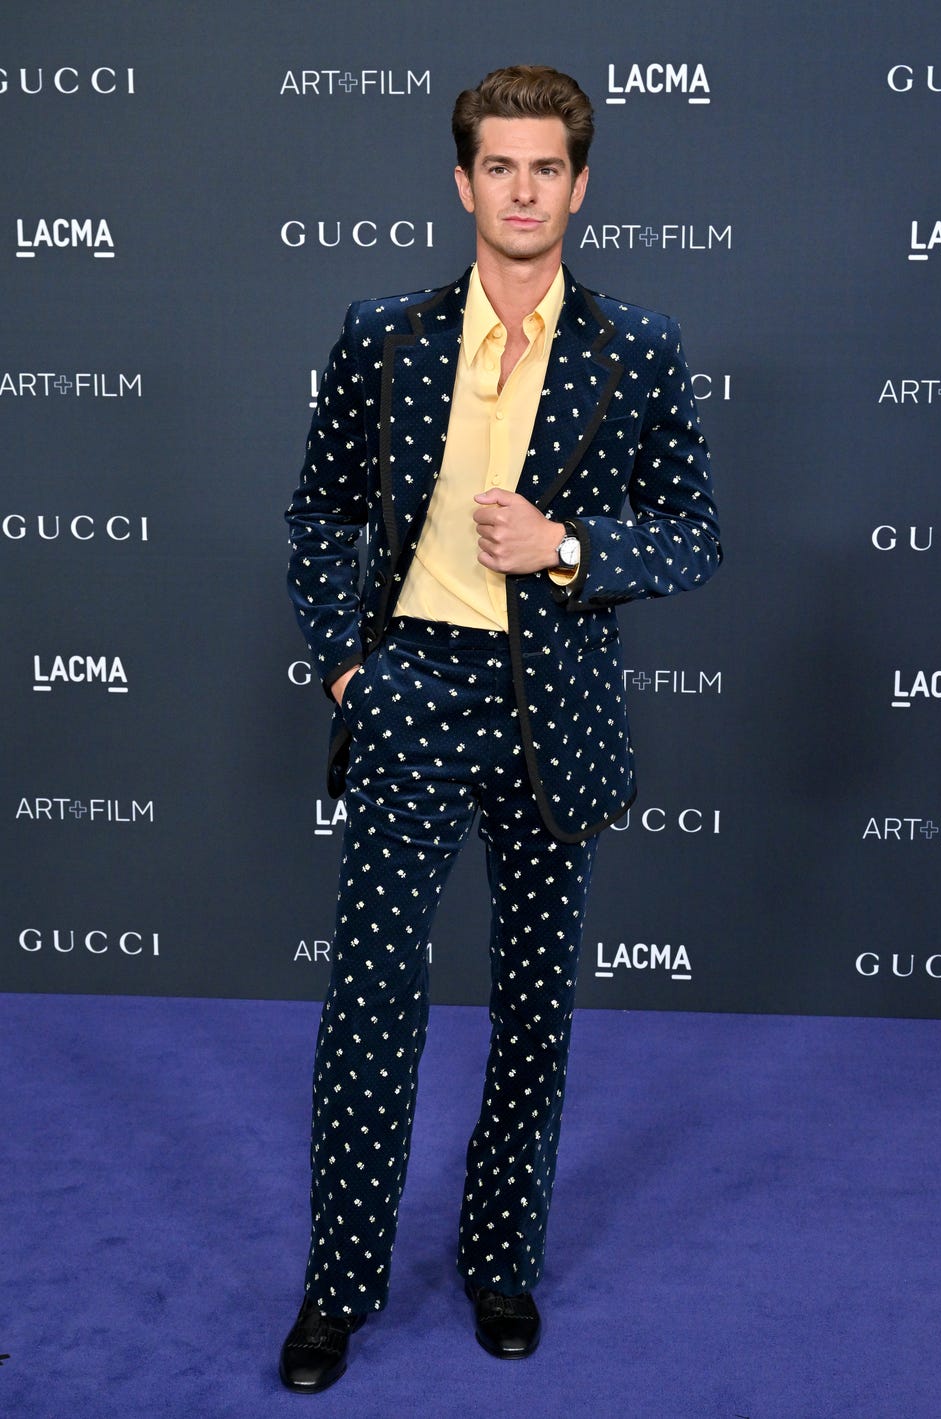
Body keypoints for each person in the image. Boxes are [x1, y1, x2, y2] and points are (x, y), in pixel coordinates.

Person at [280, 63, 721, 1392]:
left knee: (535, 1006)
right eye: (499, 166)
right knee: (370, 1005)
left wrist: (567, 545)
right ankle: (338, 1288)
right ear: (463, 180)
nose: (522, 190)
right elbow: (318, 514)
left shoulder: (636, 345)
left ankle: (500, 1266)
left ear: (579, 187)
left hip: (553, 713)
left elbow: (696, 534)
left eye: (548, 169)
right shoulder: (385, 332)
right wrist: (350, 668)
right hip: (410, 690)